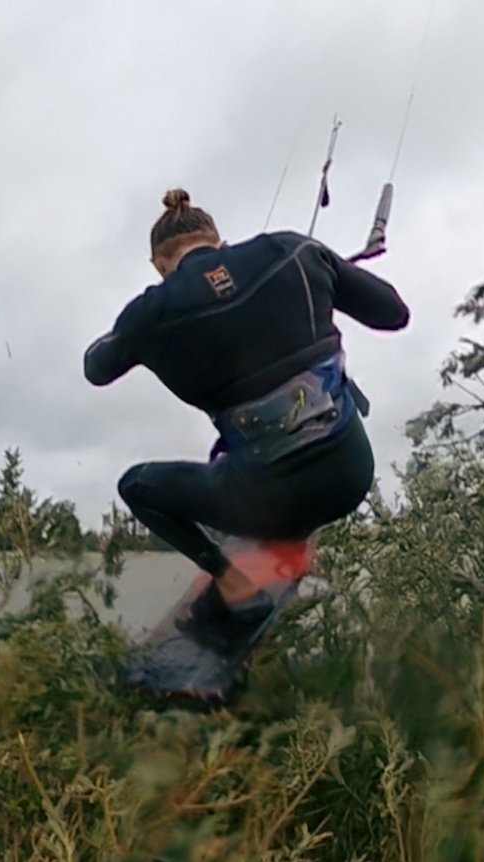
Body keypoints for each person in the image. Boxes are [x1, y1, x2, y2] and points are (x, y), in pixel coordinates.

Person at [84, 187, 411, 652]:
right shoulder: (294, 250)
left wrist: (130, 331)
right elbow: (394, 314)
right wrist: (330, 271)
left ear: (159, 265)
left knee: (138, 487)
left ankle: (232, 580)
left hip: (264, 503)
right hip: (349, 476)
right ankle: (284, 521)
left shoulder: (151, 311)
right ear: (219, 242)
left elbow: (95, 368)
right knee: (317, 394)